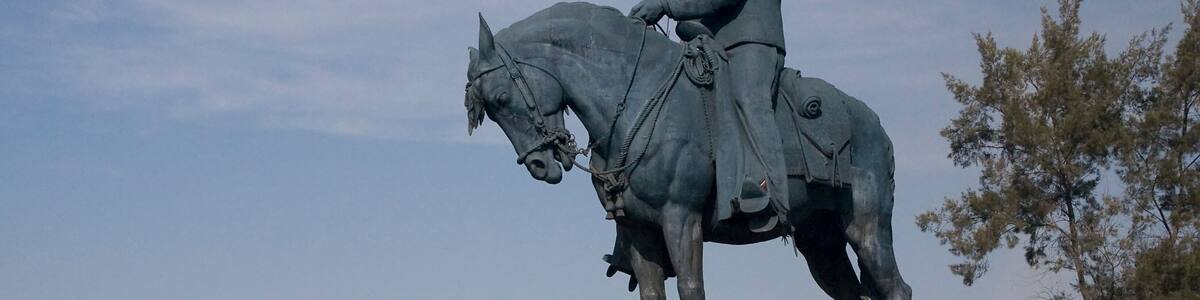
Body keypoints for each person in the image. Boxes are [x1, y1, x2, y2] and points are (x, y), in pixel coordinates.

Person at [631, 0, 787, 231]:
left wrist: (666, 5)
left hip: (750, 39)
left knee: (749, 100)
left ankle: (770, 191)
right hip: (709, 41)